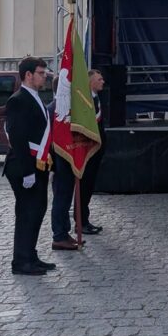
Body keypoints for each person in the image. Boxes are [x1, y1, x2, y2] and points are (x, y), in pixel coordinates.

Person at [3, 57, 55, 275]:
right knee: (27, 213)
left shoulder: (35, 97)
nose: (44, 76)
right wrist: (27, 171)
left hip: (38, 164)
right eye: (41, 73)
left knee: (37, 211)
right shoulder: (18, 99)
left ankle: (30, 255)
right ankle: (21, 261)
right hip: (24, 166)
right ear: (28, 75)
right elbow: (18, 137)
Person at [46, 76, 81, 252]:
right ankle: (59, 235)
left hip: (67, 161)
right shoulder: (53, 109)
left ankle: (64, 232)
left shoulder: (65, 109)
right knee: (60, 199)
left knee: (66, 198)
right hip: (59, 162)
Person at [74, 68, 105, 235]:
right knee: (83, 188)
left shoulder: (95, 98)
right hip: (86, 151)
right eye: (99, 79)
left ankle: (84, 219)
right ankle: (80, 222)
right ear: (90, 82)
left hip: (95, 150)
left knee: (89, 187)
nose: (102, 81)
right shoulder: (84, 101)